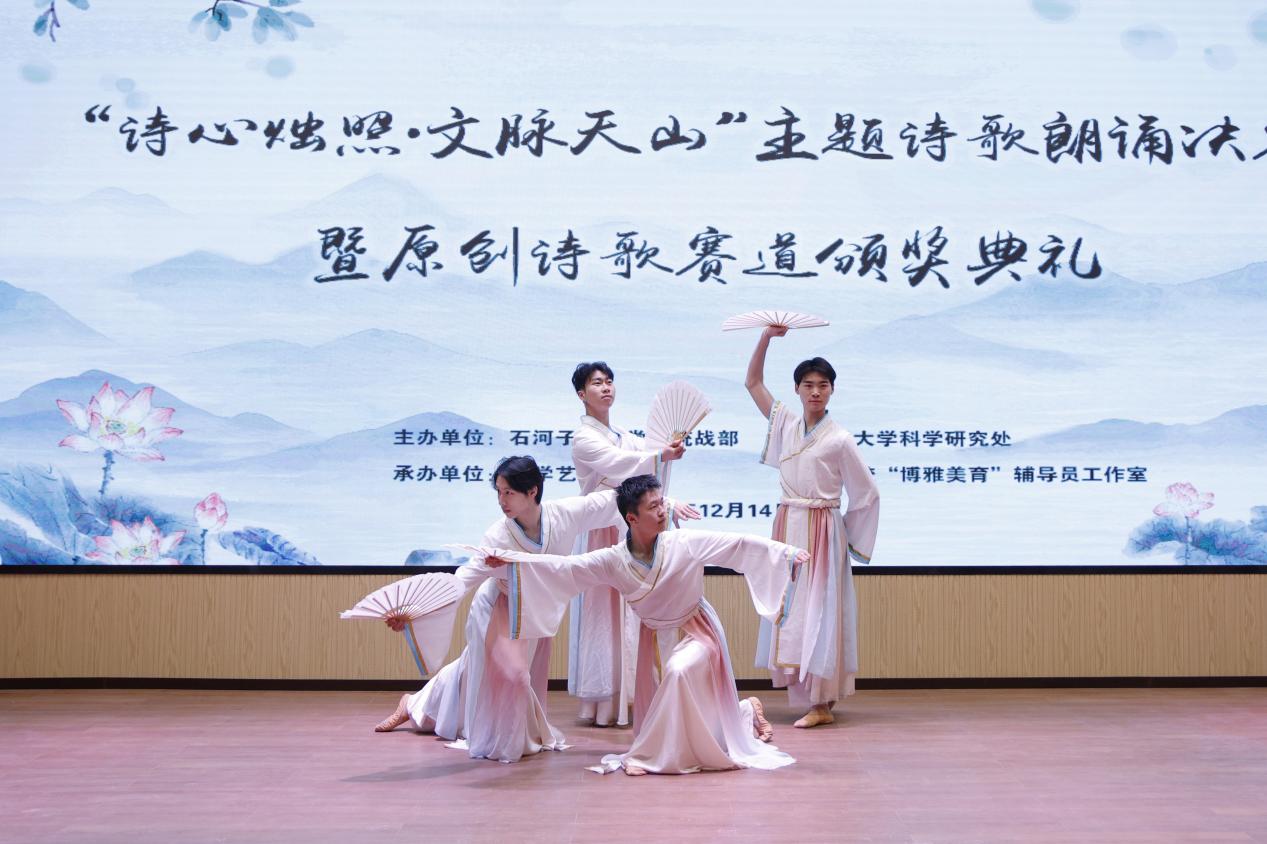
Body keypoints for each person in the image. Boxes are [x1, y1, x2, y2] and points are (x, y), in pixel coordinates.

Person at [476, 474, 809, 776]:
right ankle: (745, 713)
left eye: (662, 503)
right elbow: (566, 569)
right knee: (683, 705)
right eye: (653, 507)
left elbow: (738, 544)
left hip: (697, 633)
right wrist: (512, 562)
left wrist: (787, 554)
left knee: (678, 671)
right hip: (652, 640)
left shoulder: (684, 542)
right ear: (631, 518)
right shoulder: (613, 560)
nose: (663, 512)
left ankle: (660, 757)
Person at [374, 456, 699, 764]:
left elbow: (616, 499)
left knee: (473, 666)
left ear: (532, 491)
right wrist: (416, 611)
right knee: (512, 675)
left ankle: (414, 704)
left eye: (509, 492)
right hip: (499, 608)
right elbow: (464, 579)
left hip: (537, 607)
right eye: (499, 492)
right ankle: (502, 739)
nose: (502, 500)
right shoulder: (498, 533)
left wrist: (667, 504)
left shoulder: (564, 514)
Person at [745, 326, 880, 728]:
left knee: (821, 609)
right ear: (798, 389)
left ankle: (822, 703)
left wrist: (843, 536)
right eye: (808, 385)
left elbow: (867, 494)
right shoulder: (785, 423)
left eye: (823, 385)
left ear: (832, 391)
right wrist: (766, 339)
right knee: (791, 609)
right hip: (788, 524)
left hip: (822, 529)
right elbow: (753, 383)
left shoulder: (840, 439)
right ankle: (810, 697)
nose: (815, 392)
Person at [567, 361, 686, 726]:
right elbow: (619, 465)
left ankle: (637, 693)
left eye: (609, 381)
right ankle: (606, 700)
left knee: (633, 611)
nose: (606, 388)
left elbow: (645, 466)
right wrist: (659, 455)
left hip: (628, 526)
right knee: (603, 613)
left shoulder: (622, 434)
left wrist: (667, 450)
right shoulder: (583, 437)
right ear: (581, 394)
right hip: (602, 529)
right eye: (596, 383)